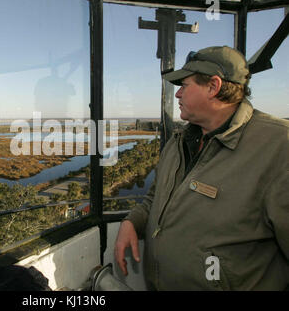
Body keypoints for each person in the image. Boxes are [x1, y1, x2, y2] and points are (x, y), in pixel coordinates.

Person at [114, 46, 288, 290]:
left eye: (184, 85)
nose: (177, 95)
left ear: (213, 86)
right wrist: (131, 222)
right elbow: (156, 199)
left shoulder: (279, 147)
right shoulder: (180, 142)